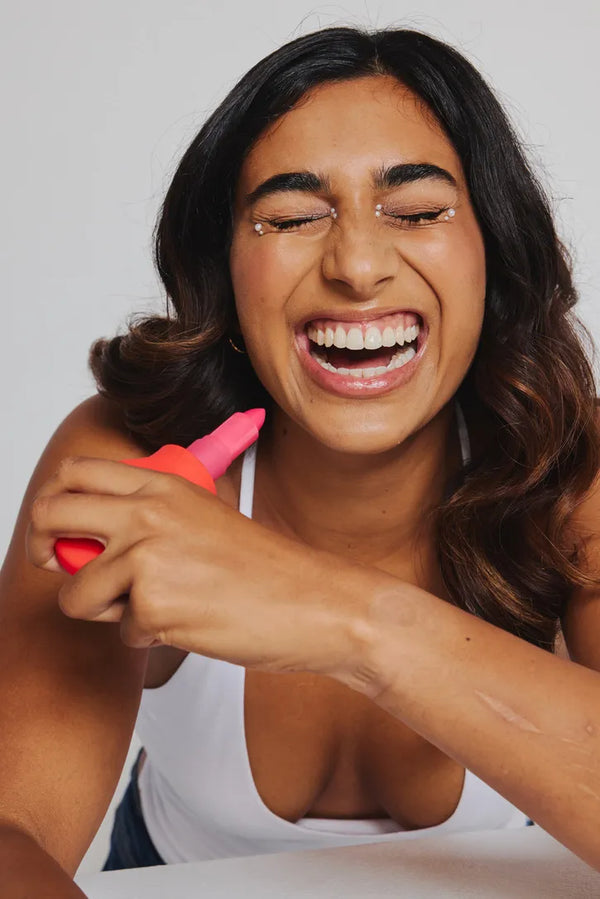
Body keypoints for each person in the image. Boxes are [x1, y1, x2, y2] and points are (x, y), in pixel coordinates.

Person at [1, 25, 599, 896]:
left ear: (492, 252)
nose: (357, 266)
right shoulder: (132, 458)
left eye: (421, 210)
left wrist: (344, 621)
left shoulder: (570, 468)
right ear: (228, 270)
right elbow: (11, 827)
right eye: (290, 217)